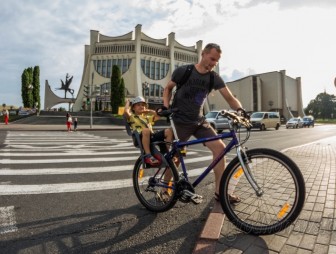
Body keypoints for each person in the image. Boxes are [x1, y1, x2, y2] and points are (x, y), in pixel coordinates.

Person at [162, 43, 245, 203]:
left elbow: (229, 97)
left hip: (199, 121)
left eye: (217, 61)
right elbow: (168, 88)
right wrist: (165, 107)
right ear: (203, 54)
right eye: (212, 59)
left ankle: (220, 192)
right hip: (180, 121)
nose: (214, 63)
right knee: (175, 157)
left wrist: (241, 111)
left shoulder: (214, 77)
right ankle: (165, 188)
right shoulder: (184, 71)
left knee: (220, 149)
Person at [124, 96, 174, 166]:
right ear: (133, 108)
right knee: (146, 130)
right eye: (138, 105)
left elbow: (158, 115)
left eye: (143, 105)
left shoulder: (147, 117)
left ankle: (166, 153)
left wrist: (149, 111)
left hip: (150, 136)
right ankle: (148, 156)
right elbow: (126, 112)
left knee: (169, 131)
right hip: (140, 137)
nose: (141, 107)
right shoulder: (132, 117)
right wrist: (128, 102)